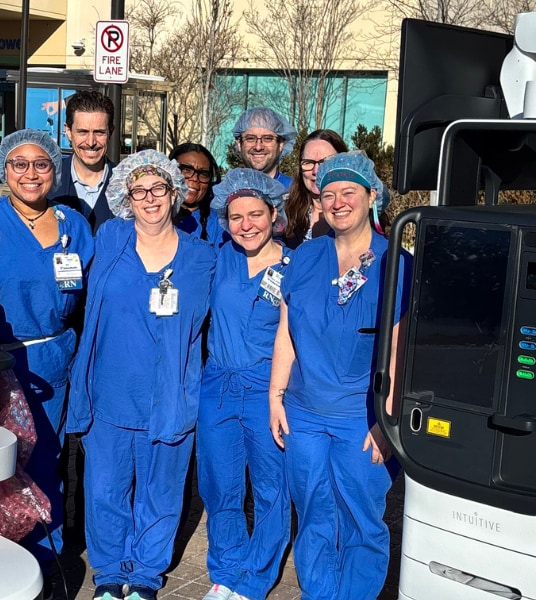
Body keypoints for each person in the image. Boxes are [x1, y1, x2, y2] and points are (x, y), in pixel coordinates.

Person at [66, 150, 217, 600]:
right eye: (139, 191)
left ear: (175, 193)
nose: (149, 198)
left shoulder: (202, 257)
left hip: (169, 396)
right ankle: (110, 574)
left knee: (161, 490)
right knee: (105, 490)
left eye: (158, 189)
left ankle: (146, 575)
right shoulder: (110, 238)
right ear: (125, 198)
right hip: (109, 392)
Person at [267, 151, 410, 598]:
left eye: (349, 192)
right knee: (313, 512)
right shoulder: (306, 257)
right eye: (328, 194)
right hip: (304, 412)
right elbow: (286, 334)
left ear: (372, 196)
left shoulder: (396, 263)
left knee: (360, 519)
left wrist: (387, 421)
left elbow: (401, 350)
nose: (338, 202)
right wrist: (275, 396)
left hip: (361, 417)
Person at [0, 129, 95, 571]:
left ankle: (45, 557)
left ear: (54, 171)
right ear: (3, 169)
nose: (30, 173)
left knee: (46, 458)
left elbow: (88, 293)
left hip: (52, 359)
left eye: (41, 164)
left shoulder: (72, 224)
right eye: (18, 164)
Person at [196, 169, 291, 600]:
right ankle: (226, 571)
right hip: (218, 385)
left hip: (267, 389)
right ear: (225, 220)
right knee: (220, 484)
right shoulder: (220, 257)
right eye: (236, 217)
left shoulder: (294, 266)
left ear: (274, 214)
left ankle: (254, 579)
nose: (246, 225)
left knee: (271, 487)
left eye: (256, 214)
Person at [51, 90, 117, 232]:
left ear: (111, 132)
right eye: (83, 132)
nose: (91, 142)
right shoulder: (47, 183)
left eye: (99, 132)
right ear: (68, 131)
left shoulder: (128, 185)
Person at [281, 129, 348, 249]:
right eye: (308, 162)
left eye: (325, 162)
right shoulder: (287, 212)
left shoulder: (355, 212)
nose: (316, 171)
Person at [169, 142, 222, 243]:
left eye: (203, 174)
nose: (194, 178)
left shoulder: (219, 224)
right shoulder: (152, 213)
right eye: (186, 170)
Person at [232, 107, 297, 188]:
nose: (258, 147)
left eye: (267, 139)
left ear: (281, 144)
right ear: (239, 144)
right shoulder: (225, 190)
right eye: (250, 138)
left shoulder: (295, 191)